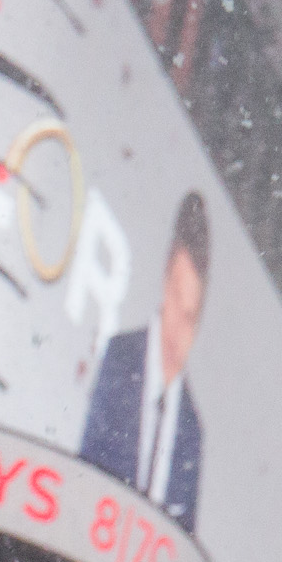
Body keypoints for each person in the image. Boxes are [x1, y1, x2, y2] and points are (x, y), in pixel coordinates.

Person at [76, 190, 210, 530]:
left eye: (190, 316)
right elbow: (85, 477)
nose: (177, 327)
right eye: (175, 301)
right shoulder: (119, 362)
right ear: (165, 284)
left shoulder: (191, 430)